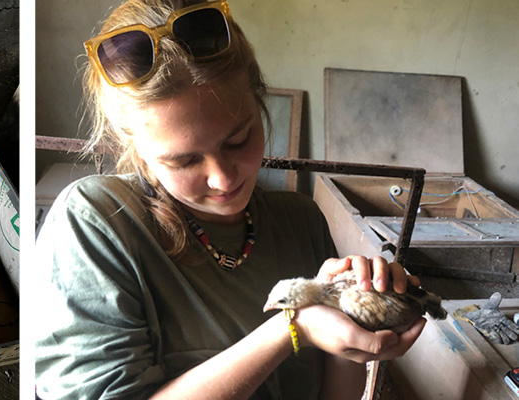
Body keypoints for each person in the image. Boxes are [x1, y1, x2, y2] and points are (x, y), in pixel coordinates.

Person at [33, 0, 427, 398]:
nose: (223, 178)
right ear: (131, 143)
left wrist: (349, 318)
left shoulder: (301, 220)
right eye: (184, 160)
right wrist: (292, 328)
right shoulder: (98, 221)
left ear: (259, 104)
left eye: (238, 140)